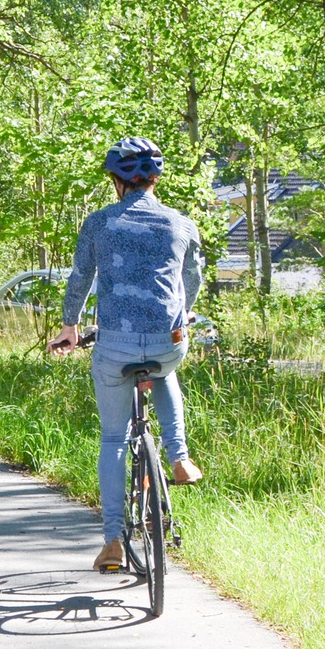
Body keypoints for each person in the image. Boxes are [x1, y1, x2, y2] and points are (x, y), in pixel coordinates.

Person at [47, 136, 206, 573]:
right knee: (166, 371)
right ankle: (178, 455)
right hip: (167, 339)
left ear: (117, 181)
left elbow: (80, 278)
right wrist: (184, 313)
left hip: (114, 344)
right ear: (156, 179)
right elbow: (191, 279)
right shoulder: (181, 224)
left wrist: (70, 328)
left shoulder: (99, 223)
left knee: (114, 439)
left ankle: (113, 541)